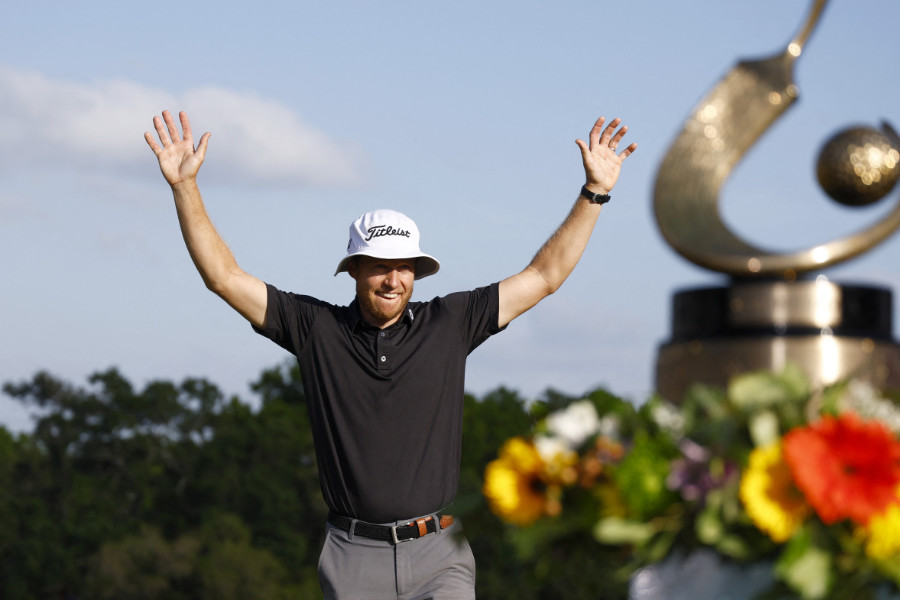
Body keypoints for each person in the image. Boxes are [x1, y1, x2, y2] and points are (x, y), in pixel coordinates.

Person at [145, 109, 636, 600]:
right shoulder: (315, 327)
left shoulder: (451, 323)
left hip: (439, 551)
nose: (393, 279)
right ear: (355, 270)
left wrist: (594, 194)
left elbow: (544, 276)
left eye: (405, 267)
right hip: (352, 557)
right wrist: (184, 187)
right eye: (380, 266)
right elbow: (224, 278)